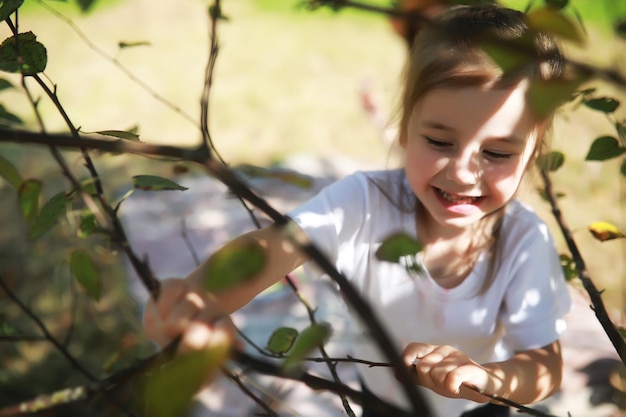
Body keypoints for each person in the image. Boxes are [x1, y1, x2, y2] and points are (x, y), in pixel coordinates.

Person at [143, 3, 573, 417]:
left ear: (532, 156)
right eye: (440, 142)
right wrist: (199, 297)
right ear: (406, 130)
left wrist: (491, 380)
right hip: (378, 403)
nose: (462, 173)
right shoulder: (365, 203)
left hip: (476, 411)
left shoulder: (523, 240)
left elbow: (544, 365)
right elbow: (276, 247)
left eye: (497, 152)